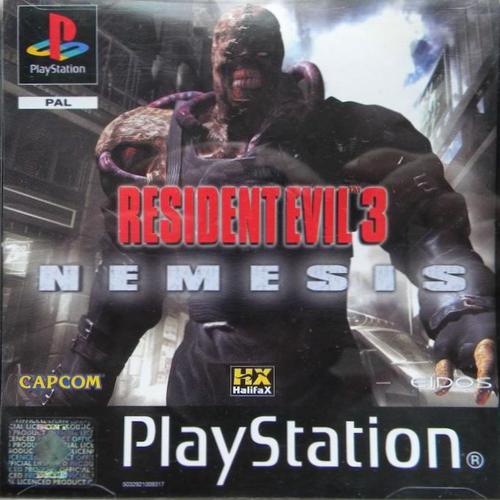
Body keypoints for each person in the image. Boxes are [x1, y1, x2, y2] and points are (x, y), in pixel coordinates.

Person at [46, 4, 495, 407]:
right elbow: (127, 282)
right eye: (234, 55)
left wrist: (462, 307)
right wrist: (79, 384)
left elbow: (426, 228)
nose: (247, 64)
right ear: (214, 61)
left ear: (278, 56)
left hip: (321, 389)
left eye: (261, 53)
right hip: (204, 393)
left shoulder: (342, 132)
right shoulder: (166, 152)